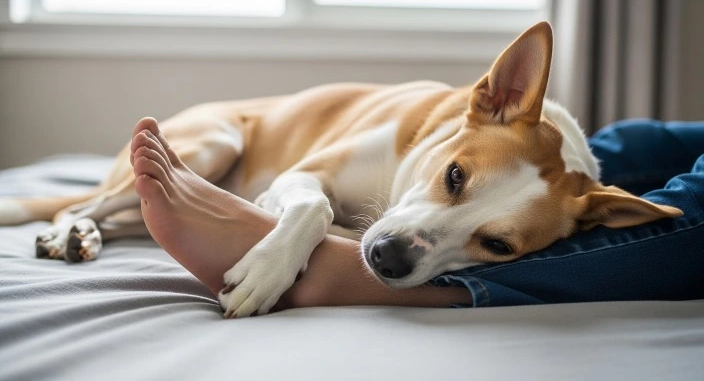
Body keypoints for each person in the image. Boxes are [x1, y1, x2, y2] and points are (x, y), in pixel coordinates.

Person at [129, 117, 704, 314]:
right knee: (632, 144)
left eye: (496, 244)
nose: (397, 250)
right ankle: (83, 216)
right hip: (253, 139)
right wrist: (306, 214)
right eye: (455, 181)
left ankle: (335, 267)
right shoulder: (449, 128)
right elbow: (307, 174)